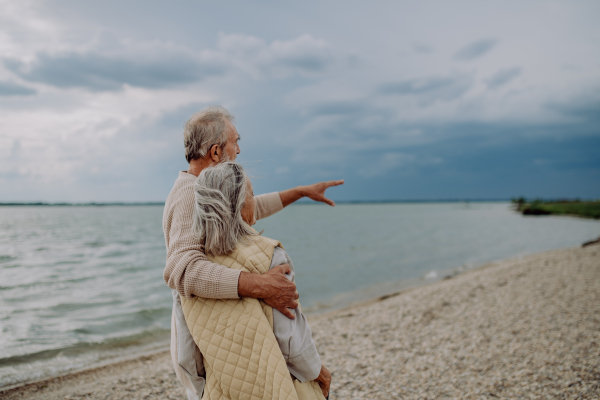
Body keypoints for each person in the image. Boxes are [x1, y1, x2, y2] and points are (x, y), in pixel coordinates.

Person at [163, 106, 342, 399]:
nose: (240, 150)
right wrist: (261, 285)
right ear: (217, 152)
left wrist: (299, 192)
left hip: (224, 339)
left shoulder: (206, 190)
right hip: (209, 342)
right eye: (236, 142)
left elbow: (248, 210)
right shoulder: (188, 194)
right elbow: (182, 268)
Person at [179, 162, 329, 400]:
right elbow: (291, 341)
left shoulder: (191, 270)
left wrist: (201, 390)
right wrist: (316, 371)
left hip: (219, 389)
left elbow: (186, 352)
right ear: (237, 202)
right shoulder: (270, 255)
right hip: (277, 386)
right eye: (251, 194)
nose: (255, 201)